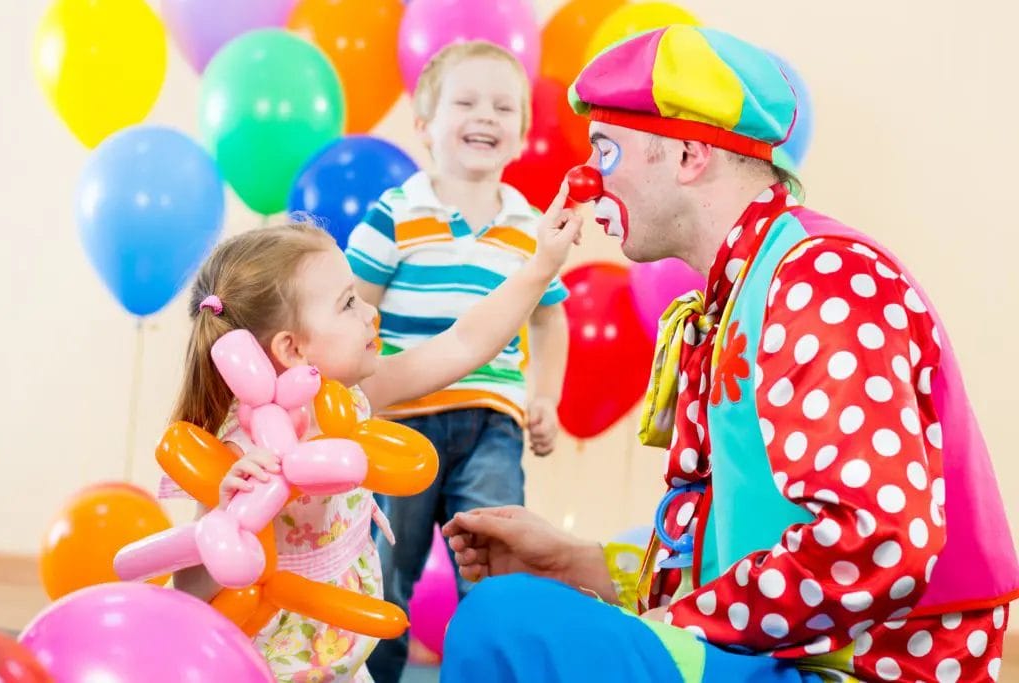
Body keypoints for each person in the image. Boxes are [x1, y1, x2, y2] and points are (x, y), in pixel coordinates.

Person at [439, 24, 1019, 682]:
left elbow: (877, 539)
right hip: (797, 657)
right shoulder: (744, 290)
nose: (585, 182)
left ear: (689, 155)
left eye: (605, 151)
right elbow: (739, 543)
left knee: (505, 623)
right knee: (523, 606)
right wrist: (583, 563)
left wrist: (662, 626)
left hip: (860, 671)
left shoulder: (820, 277)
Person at [160, 200, 580, 683]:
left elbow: (464, 342)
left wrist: (542, 265)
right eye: (348, 303)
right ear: (292, 349)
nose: (370, 312)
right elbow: (190, 593)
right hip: (267, 664)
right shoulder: (241, 449)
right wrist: (225, 514)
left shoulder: (350, 402)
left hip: (341, 652)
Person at [345, 41, 570, 681]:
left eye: (504, 107)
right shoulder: (397, 212)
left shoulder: (530, 227)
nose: (487, 116)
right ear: (424, 127)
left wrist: (544, 397)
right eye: (466, 102)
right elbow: (354, 307)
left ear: (522, 134)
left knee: (498, 566)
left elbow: (550, 316)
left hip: (491, 423)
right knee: (386, 574)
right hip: (400, 423)